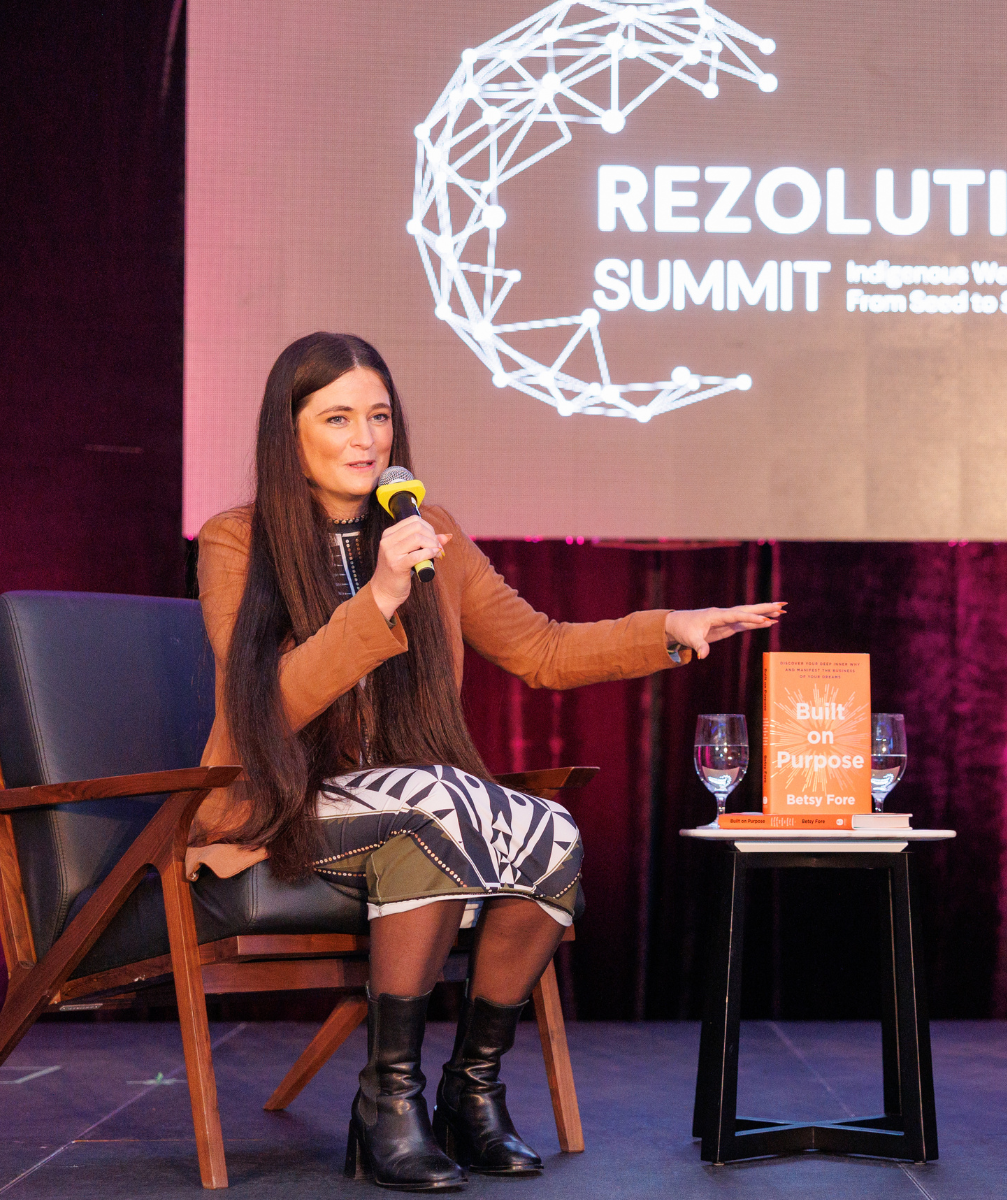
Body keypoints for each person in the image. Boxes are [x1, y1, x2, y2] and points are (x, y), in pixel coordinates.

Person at [189, 332, 782, 1192]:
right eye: (339, 417)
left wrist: (670, 630)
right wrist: (382, 595)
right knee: (442, 803)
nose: (367, 438)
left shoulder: (434, 532)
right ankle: (387, 1103)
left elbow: (540, 648)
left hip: (414, 805)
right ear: (289, 433)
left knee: (548, 828)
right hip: (282, 804)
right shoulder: (237, 542)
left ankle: (471, 1094)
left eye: (380, 417)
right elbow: (267, 704)